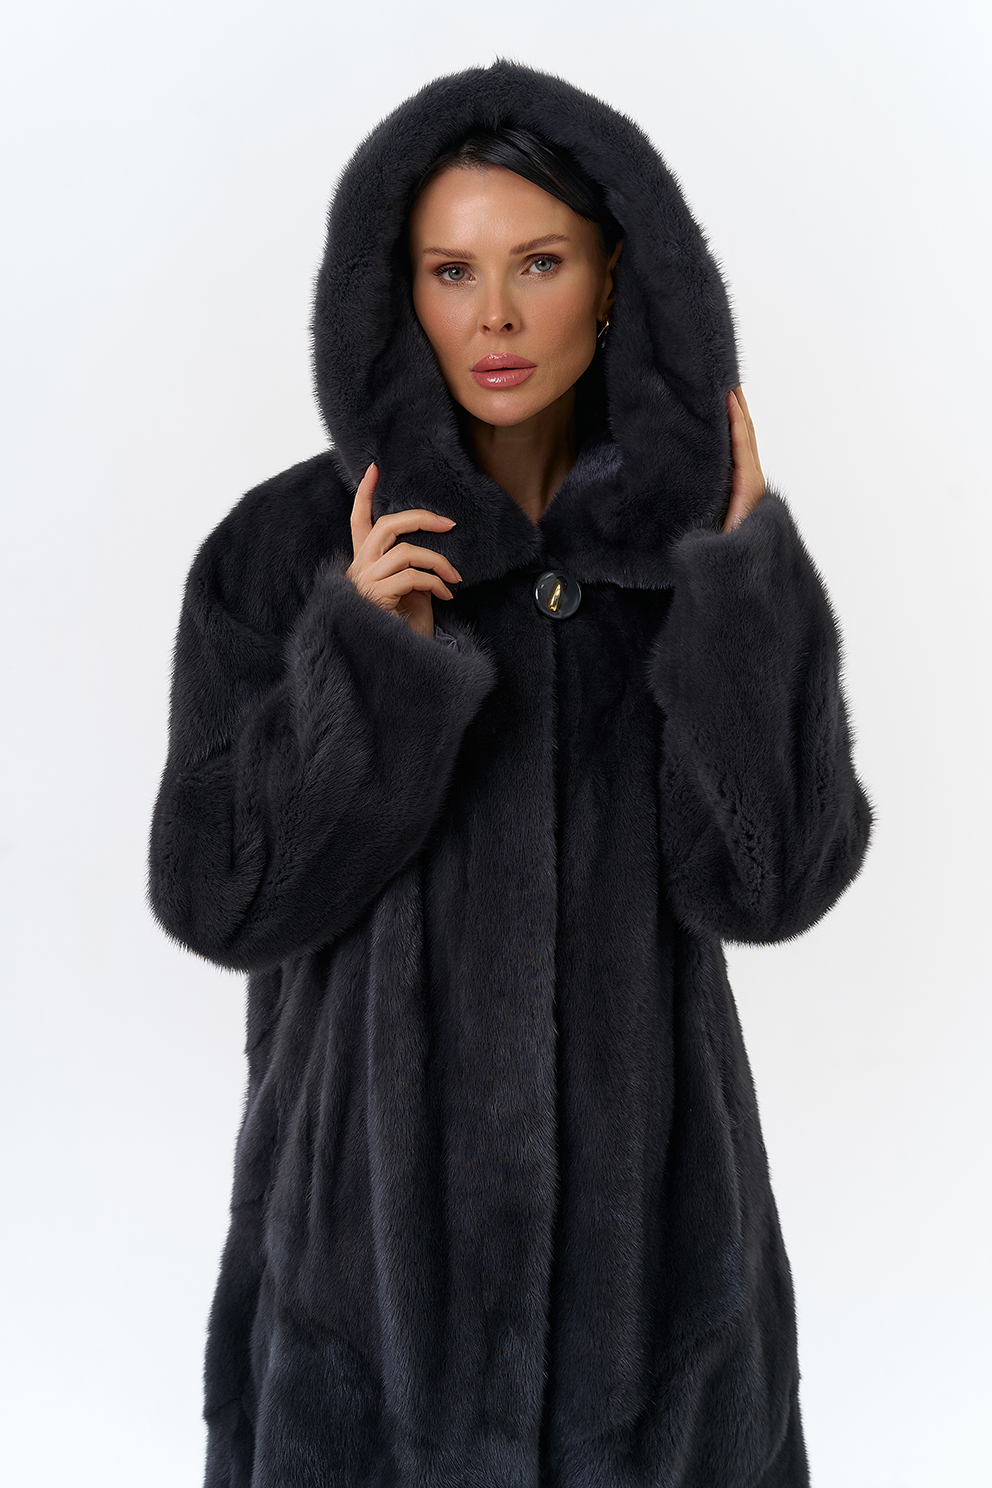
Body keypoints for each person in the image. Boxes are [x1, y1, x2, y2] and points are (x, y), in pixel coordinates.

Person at [149, 59, 873, 1488]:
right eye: (451, 270)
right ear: (396, 292)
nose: (493, 316)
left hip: (655, 1294)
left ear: (613, 280)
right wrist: (366, 661)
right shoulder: (284, 553)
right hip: (365, 1303)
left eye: (538, 263)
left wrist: (741, 596)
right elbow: (219, 899)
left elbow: (776, 883)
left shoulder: (692, 558)